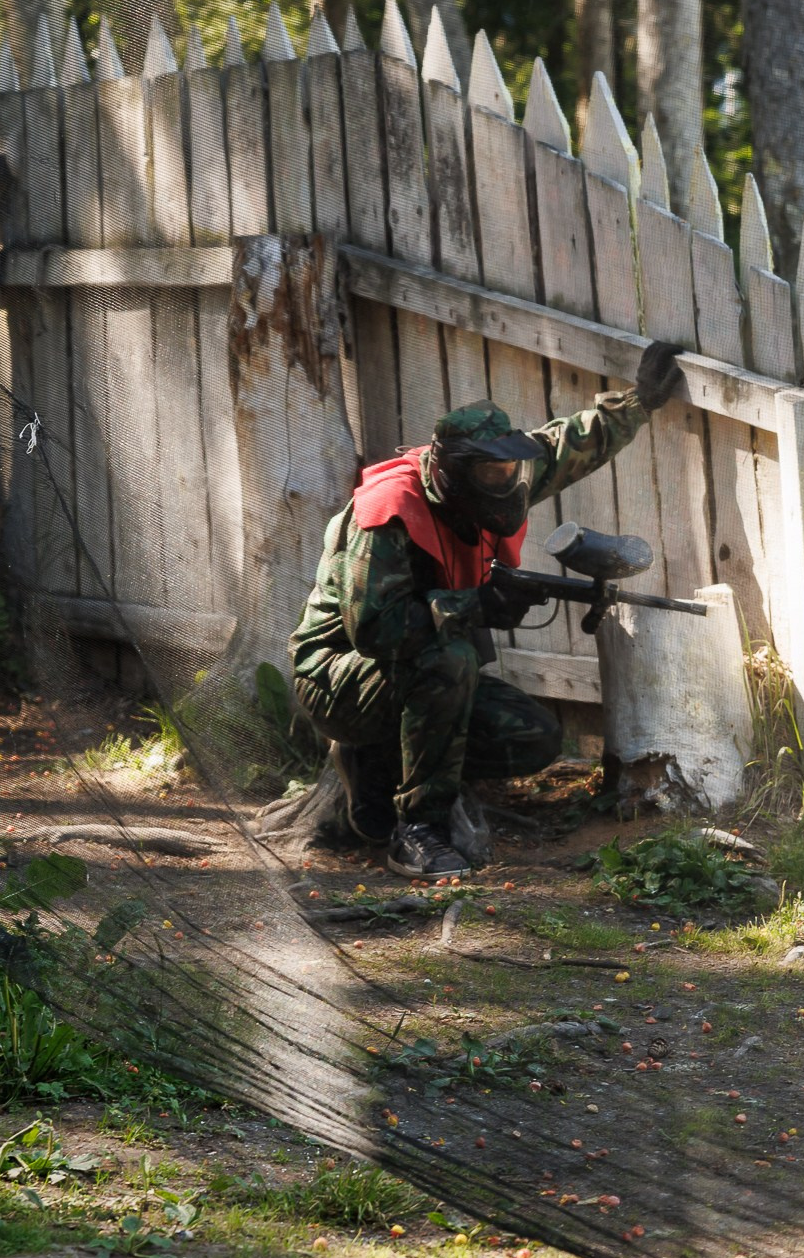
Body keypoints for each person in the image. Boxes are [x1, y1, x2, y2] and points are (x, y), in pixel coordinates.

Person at [288, 341, 688, 878]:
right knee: (451, 659)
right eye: (492, 474)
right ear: (453, 471)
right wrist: (473, 605)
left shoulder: (493, 477)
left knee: (533, 736)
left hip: (405, 676)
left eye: (509, 470)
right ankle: (419, 830)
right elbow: (375, 631)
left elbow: (566, 445)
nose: (506, 482)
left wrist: (639, 401)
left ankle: (377, 762)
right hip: (337, 677)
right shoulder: (386, 515)